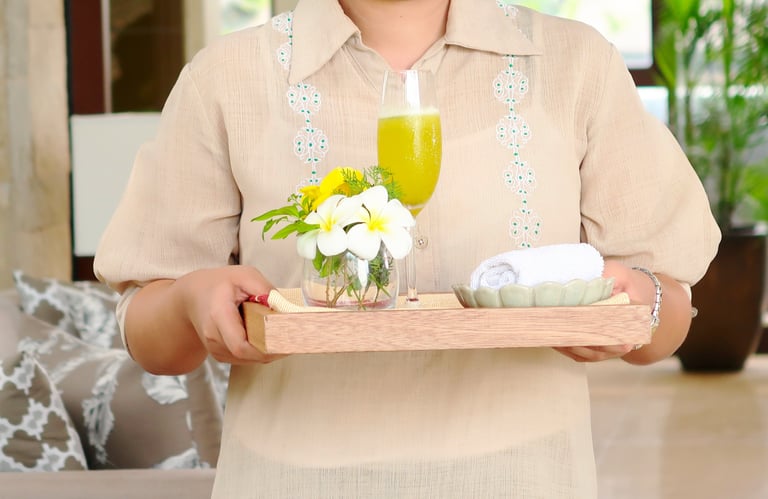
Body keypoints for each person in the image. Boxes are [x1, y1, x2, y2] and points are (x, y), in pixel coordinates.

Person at [94, 0, 721, 497]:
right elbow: (149, 331)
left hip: (525, 474)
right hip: (295, 478)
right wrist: (188, 300)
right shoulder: (225, 77)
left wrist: (639, 305)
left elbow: (664, 309)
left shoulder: (577, 63)